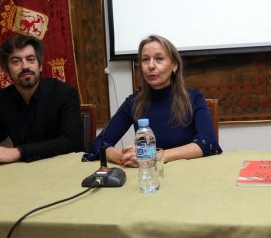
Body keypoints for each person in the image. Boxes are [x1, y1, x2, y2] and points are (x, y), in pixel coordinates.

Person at [84, 35, 222, 166]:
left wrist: (156, 156)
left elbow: (208, 142)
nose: (150, 66)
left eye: (159, 59)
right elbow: (100, 143)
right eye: (145, 60)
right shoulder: (134, 102)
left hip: (187, 175)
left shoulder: (193, 98)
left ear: (174, 65)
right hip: (149, 177)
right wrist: (123, 157)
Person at [0, 34, 83, 163]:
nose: (25, 66)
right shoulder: (3, 99)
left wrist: (19, 152)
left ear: (40, 66)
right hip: (22, 172)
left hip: (62, 167)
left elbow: (72, 142)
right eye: (16, 61)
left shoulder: (65, 93)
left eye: (31, 59)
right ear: (6, 71)